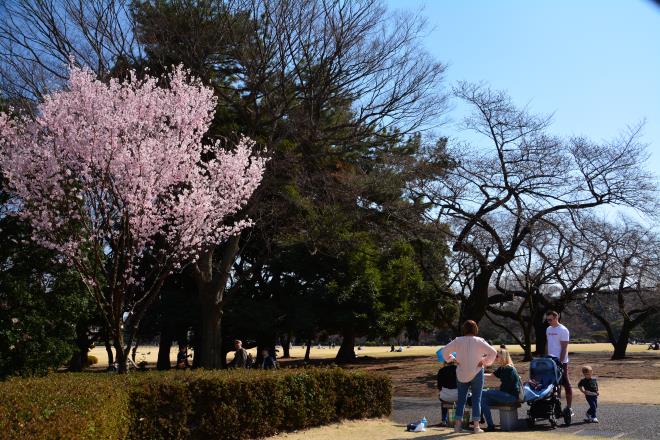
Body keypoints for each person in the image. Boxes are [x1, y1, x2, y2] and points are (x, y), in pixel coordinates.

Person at [442, 320, 497, 434]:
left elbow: (445, 351)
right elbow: (493, 352)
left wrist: (452, 359)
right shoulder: (479, 341)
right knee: (477, 399)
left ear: (464, 329)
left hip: (461, 372)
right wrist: (484, 361)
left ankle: (457, 426)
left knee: (461, 400)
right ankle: (476, 427)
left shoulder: (458, 341)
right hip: (477, 371)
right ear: (475, 329)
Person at [481, 348, 521, 431]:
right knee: (483, 401)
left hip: (510, 397)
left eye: (497, 356)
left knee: (484, 393)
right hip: (504, 395)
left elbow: (506, 388)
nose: (495, 358)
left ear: (502, 357)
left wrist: (494, 391)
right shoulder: (502, 368)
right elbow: (491, 375)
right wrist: (479, 373)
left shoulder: (508, 369)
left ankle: (470, 398)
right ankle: (491, 425)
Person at [545, 310, 573, 416]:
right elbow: (548, 343)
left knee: (565, 383)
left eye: (550, 319)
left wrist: (561, 362)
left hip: (561, 361)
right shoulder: (548, 329)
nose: (549, 322)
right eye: (547, 320)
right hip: (550, 361)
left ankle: (569, 407)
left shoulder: (563, 330)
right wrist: (546, 357)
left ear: (556, 318)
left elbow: (564, 348)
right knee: (553, 384)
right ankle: (556, 407)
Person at [437, 358, 458, 427]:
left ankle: (444, 420)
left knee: (442, 398)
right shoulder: (459, 369)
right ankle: (458, 419)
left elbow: (439, 387)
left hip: (445, 396)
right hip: (457, 396)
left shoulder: (441, 370)